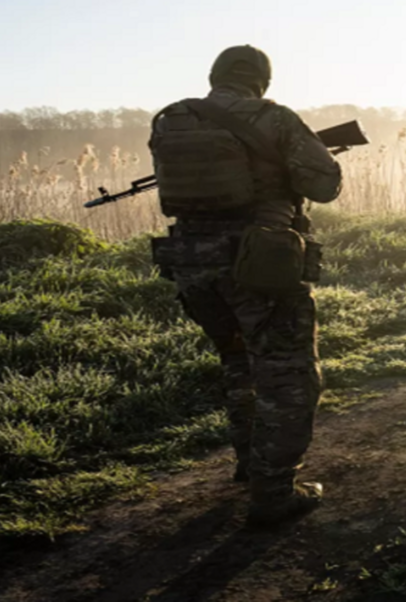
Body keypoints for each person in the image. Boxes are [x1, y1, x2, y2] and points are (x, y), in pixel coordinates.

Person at [148, 45, 342, 527]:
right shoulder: (273, 118)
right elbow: (324, 185)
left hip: (191, 265)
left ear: (213, 75)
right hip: (261, 265)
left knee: (238, 363)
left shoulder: (169, 119)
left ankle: (249, 465)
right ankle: (274, 493)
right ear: (263, 81)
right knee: (288, 376)